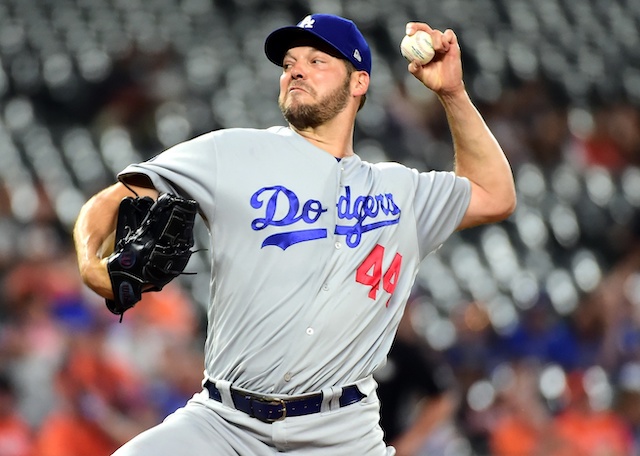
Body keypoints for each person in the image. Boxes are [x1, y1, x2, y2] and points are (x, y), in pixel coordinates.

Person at [73, 13, 516, 455]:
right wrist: (93, 268)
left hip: (341, 435)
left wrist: (452, 93)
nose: (296, 70)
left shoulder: (403, 191)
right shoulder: (231, 151)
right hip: (225, 423)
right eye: (288, 64)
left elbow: (495, 194)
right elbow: (108, 202)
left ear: (359, 82)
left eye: (316, 60)